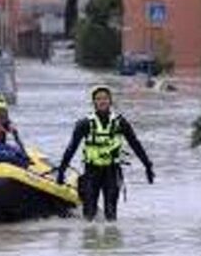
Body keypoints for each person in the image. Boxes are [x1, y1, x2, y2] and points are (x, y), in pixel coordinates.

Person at [56, 85, 155, 222]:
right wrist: (61, 172)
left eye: (105, 98)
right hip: (91, 172)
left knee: (111, 213)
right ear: (94, 102)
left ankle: (111, 239)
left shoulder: (120, 123)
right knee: (89, 213)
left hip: (112, 172)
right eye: (98, 99)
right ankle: (89, 239)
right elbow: (71, 149)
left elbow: (135, 144)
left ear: (110, 101)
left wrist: (148, 166)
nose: (102, 101)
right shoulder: (84, 124)